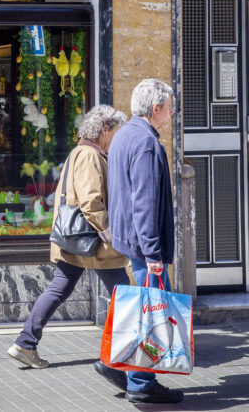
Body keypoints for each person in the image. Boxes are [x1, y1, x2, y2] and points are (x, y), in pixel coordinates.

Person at [7, 105, 131, 380]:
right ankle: (122, 356)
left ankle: (25, 343)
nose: (117, 140)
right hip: (92, 242)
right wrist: (110, 233)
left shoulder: (81, 151)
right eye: (116, 133)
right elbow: (90, 201)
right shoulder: (89, 155)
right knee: (125, 296)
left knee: (59, 289)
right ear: (104, 130)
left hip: (76, 241)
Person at [106, 78, 184, 404]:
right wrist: (153, 252)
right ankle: (140, 383)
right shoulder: (147, 144)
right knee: (151, 313)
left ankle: (128, 372)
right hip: (143, 245)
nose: (170, 115)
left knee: (143, 309)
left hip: (129, 240)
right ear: (156, 109)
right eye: (169, 109)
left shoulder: (125, 134)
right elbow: (144, 203)